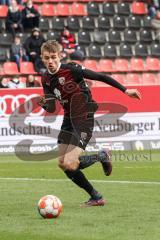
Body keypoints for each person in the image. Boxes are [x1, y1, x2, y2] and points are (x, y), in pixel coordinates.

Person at [38, 40, 141, 207]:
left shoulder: (72, 69)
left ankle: (101, 158)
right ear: (42, 58)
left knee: (71, 163)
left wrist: (125, 90)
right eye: (47, 58)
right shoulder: (46, 79)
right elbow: (50, 107)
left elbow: (101, 76)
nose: (50, 61)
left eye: (53, 57)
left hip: (84, 115)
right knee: (62, 164)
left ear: (59, 56)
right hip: (68, 118)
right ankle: (96, 196)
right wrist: (43, 103)